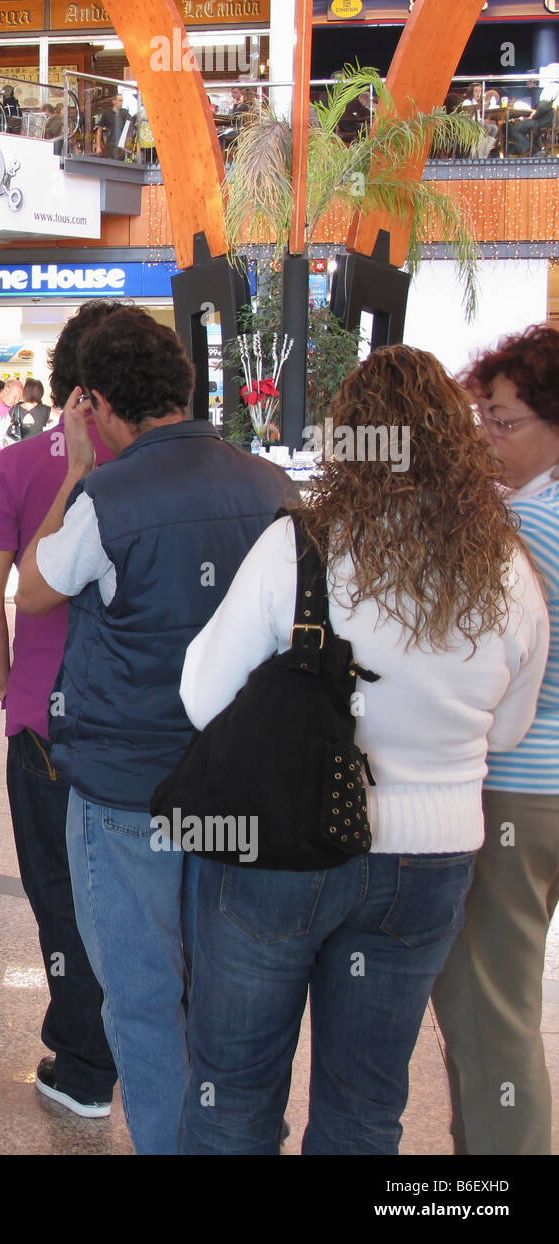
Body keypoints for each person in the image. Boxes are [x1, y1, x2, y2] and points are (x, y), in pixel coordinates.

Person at [177, 345, 548, 1155]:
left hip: (284, 847)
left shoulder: (300, 547)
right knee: (366, 1105)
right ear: (457, 440)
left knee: (233, 1088)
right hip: (431, 862)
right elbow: (510, 726)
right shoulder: (508, 567)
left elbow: (203, 696)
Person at [15, 307, 296, 1153]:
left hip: (126, 791)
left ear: (96, 402)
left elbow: (33, 590)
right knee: (232, 998)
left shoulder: (107, 496)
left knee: (139, 996)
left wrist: (70, 472)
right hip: (242, 786)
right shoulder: (268, 486)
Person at [0, 301, 118, 1119]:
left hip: (45, 720)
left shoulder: (22, 465)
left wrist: (6, 682)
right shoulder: (171, 463)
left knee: (59, 895)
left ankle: (84, 1064)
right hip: (151, 723)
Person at [431, 324, 559, 1154]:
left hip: (518, 784)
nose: (485, 437)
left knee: (490, 1011)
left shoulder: (519, 530)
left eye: (502, 420)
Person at [509, 63, 558, 156]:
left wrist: (534, 116)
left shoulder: (550, 88)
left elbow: (543, 107)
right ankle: (539, 150)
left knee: (516, 128)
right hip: (554, 121)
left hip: (546, 121)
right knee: (531, 127)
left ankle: (529, 151)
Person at [4, 378, 51, 446]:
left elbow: (4, 431)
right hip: (39, 449)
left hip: (19, 450)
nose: (17, 401)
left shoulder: (14, 409)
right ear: (41, 393)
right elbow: (62, 418)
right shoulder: (45, 409)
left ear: (25, 392)